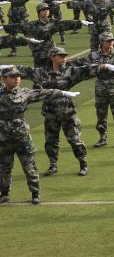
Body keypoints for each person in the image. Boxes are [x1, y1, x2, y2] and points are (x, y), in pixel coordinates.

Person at [0, 67, 80, 205]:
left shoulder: (25, 93)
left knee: (29, 166)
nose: (17, 79)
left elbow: (45, 93)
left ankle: (35, 193)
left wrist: (63, 92)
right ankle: (4, 193)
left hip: (22, 137)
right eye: (12, 77)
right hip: (3, 138)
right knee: (4, 167)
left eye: (18, 76)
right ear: (4, 79)